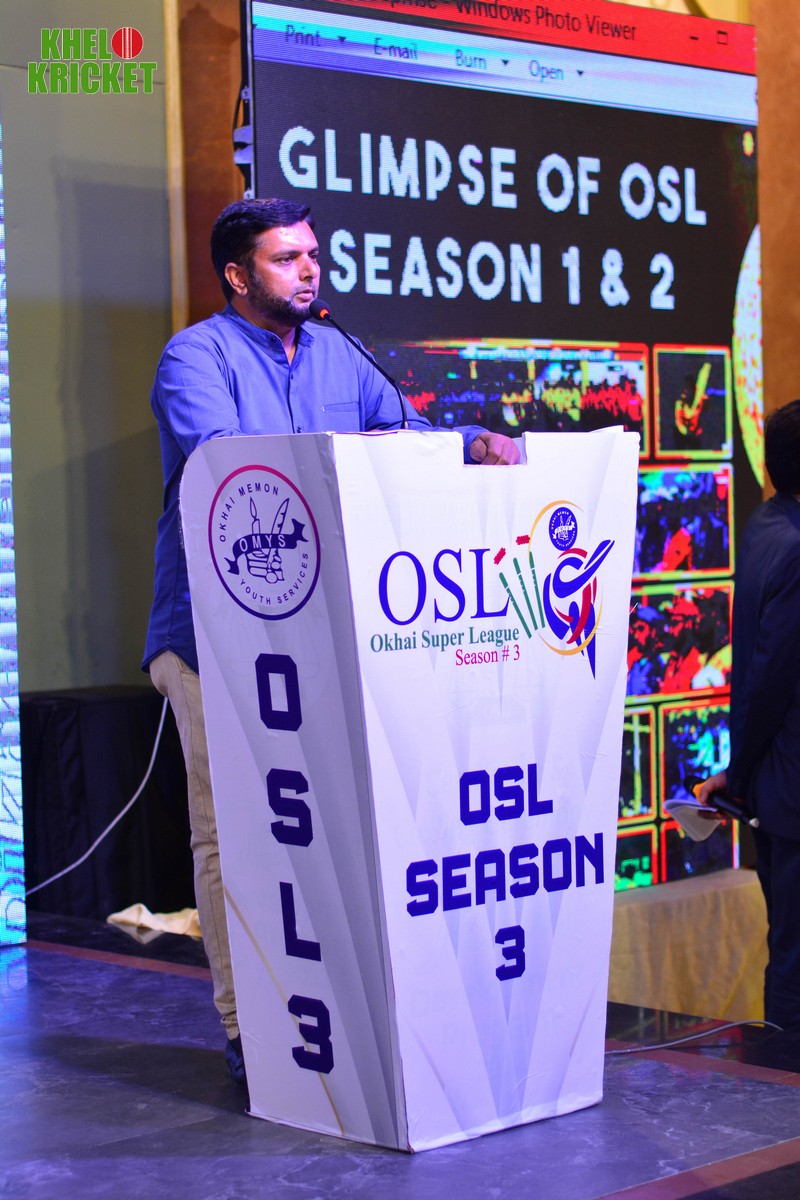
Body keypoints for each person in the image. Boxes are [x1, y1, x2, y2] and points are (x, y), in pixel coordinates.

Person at [142, 197, 519, 1085]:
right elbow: (234, 464)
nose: (309, 270)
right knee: (231, 834)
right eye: (287, 258)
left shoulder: (339, 352)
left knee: (334, 830)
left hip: (325, 636)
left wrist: (471, 444)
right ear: (238, 276)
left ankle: (342, 1010)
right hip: (212, 637)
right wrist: (358, 450)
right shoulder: (195, 357)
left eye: (313, 254)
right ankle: (247, 1029)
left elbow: (408, 436)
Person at [698, 399, 800, 1031]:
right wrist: (738, 776)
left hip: (773, 788)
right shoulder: (797, 547)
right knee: (794, 960)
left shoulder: (765, 525)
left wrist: (741, 775)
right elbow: (771, 678)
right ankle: (783, 1081)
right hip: (790, 795)